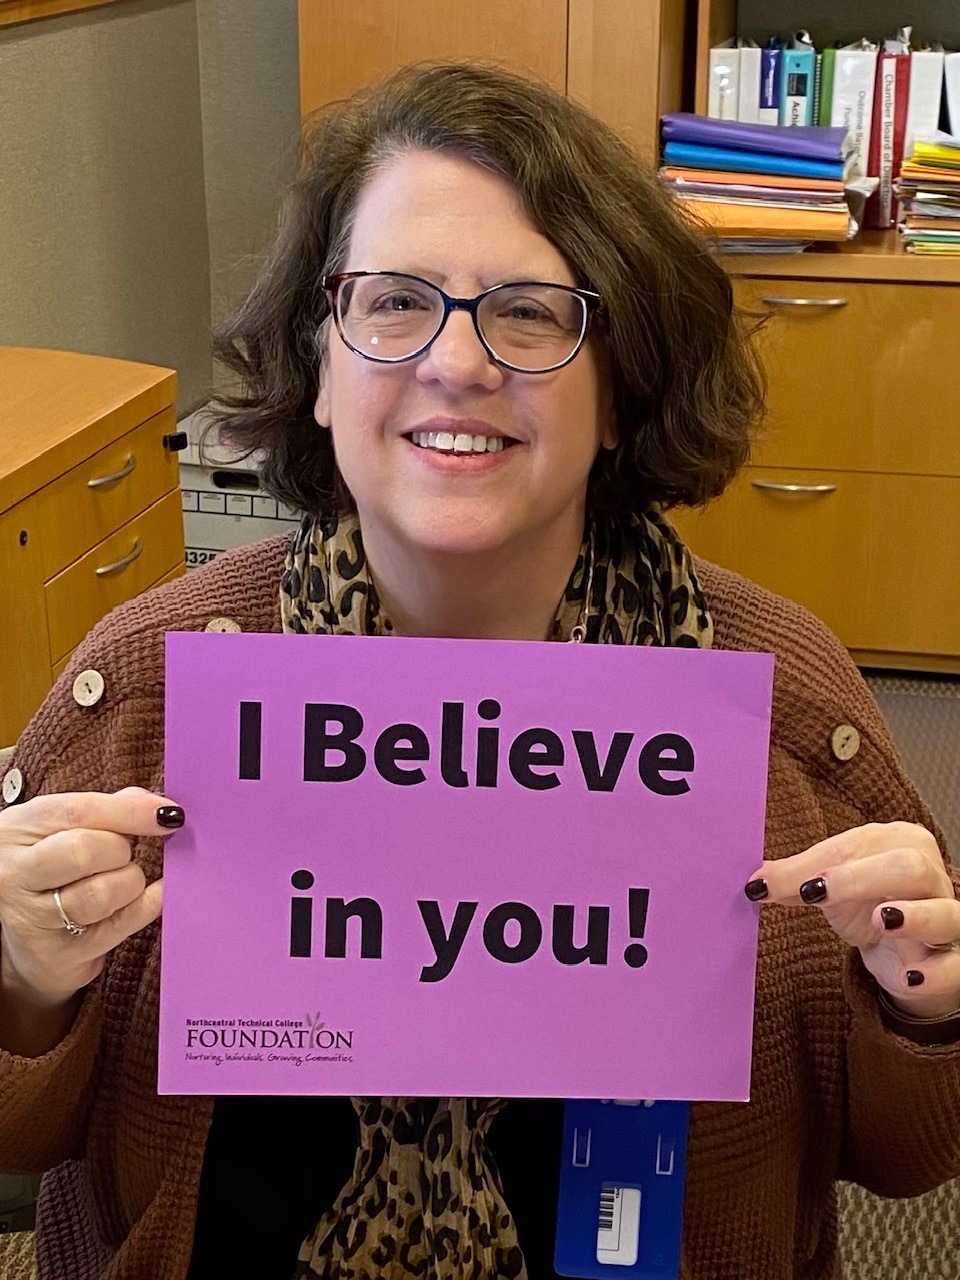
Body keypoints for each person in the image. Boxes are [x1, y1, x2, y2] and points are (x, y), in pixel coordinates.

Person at [1, 61, 959, 1280]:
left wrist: (922, 1004)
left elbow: (908, 1154)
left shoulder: (779, 708)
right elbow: (22, 1136)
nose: (458, 361)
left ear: (620, 386)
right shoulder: (153, 689)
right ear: (324, 355)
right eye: (395, 301)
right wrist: (24, 981)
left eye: (530, 311)